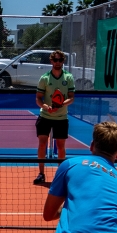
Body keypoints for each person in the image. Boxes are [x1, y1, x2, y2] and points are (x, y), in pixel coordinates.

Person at [33, 50, 75, 184]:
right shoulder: (44, 78)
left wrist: (61, 104)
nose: (57, 63)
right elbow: (38, 99)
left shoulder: (68, 77)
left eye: (60, 60)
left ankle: (60, 175)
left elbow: (71, 98)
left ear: (63, 61)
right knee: (42, 144)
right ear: (51, 61)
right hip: (45, 116)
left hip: (61, 117)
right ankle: (41, 173)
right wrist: (46, 107)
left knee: (61, 146)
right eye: (55, 60)